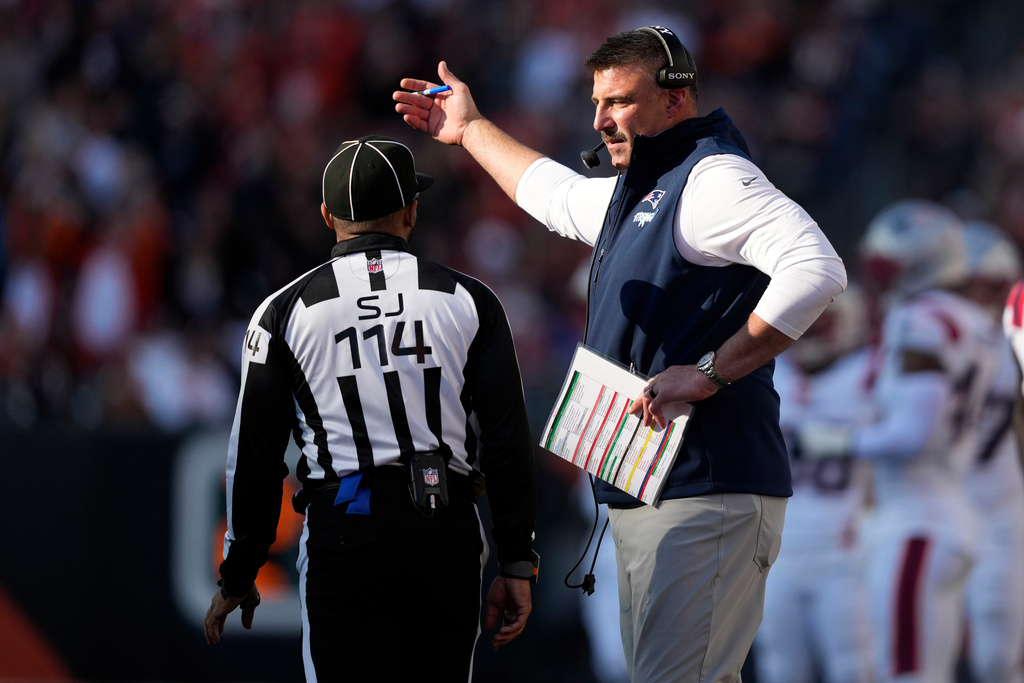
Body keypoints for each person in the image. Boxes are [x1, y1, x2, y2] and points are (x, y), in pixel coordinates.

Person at [395, 25, 847, 682]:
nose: (602, 119)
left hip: (704, 484)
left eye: (621, 101)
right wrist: (469, 131)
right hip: (659, 486)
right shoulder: (651, 184)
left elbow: (816, 267)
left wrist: (711, 370)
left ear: (675, 99)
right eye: (597, 102)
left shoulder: (712, 179)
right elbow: (555, 196)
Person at [202, 135, 539, 682]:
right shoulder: (470, 300)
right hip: (444, 527)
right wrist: (517, 559)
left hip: (345, 529)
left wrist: (238, 574)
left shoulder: (282, 312)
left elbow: (256, 459)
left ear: (327, 217)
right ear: (410, 210)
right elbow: (506, 439)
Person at [799, 200, 1003, 683]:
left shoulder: (921, 320)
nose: (875, 282)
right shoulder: (976, 324)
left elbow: (913, 433)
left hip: (917, 520)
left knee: (905, 673)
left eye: (884, 268)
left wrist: (829, 442)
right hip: (948, 514)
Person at [754, 285, 876, 683]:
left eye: (820, 325)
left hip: (848, 555)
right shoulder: (768, 373)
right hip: (778, 556)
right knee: (780, 668)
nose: (808, 334)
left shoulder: (869, 375)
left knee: (853, 666)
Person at [961, 220, 1024, 683]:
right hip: (932, 504)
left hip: (999, 510)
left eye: (985, 286)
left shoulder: (1011, 335)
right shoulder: (918, 327)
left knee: (995, 661)